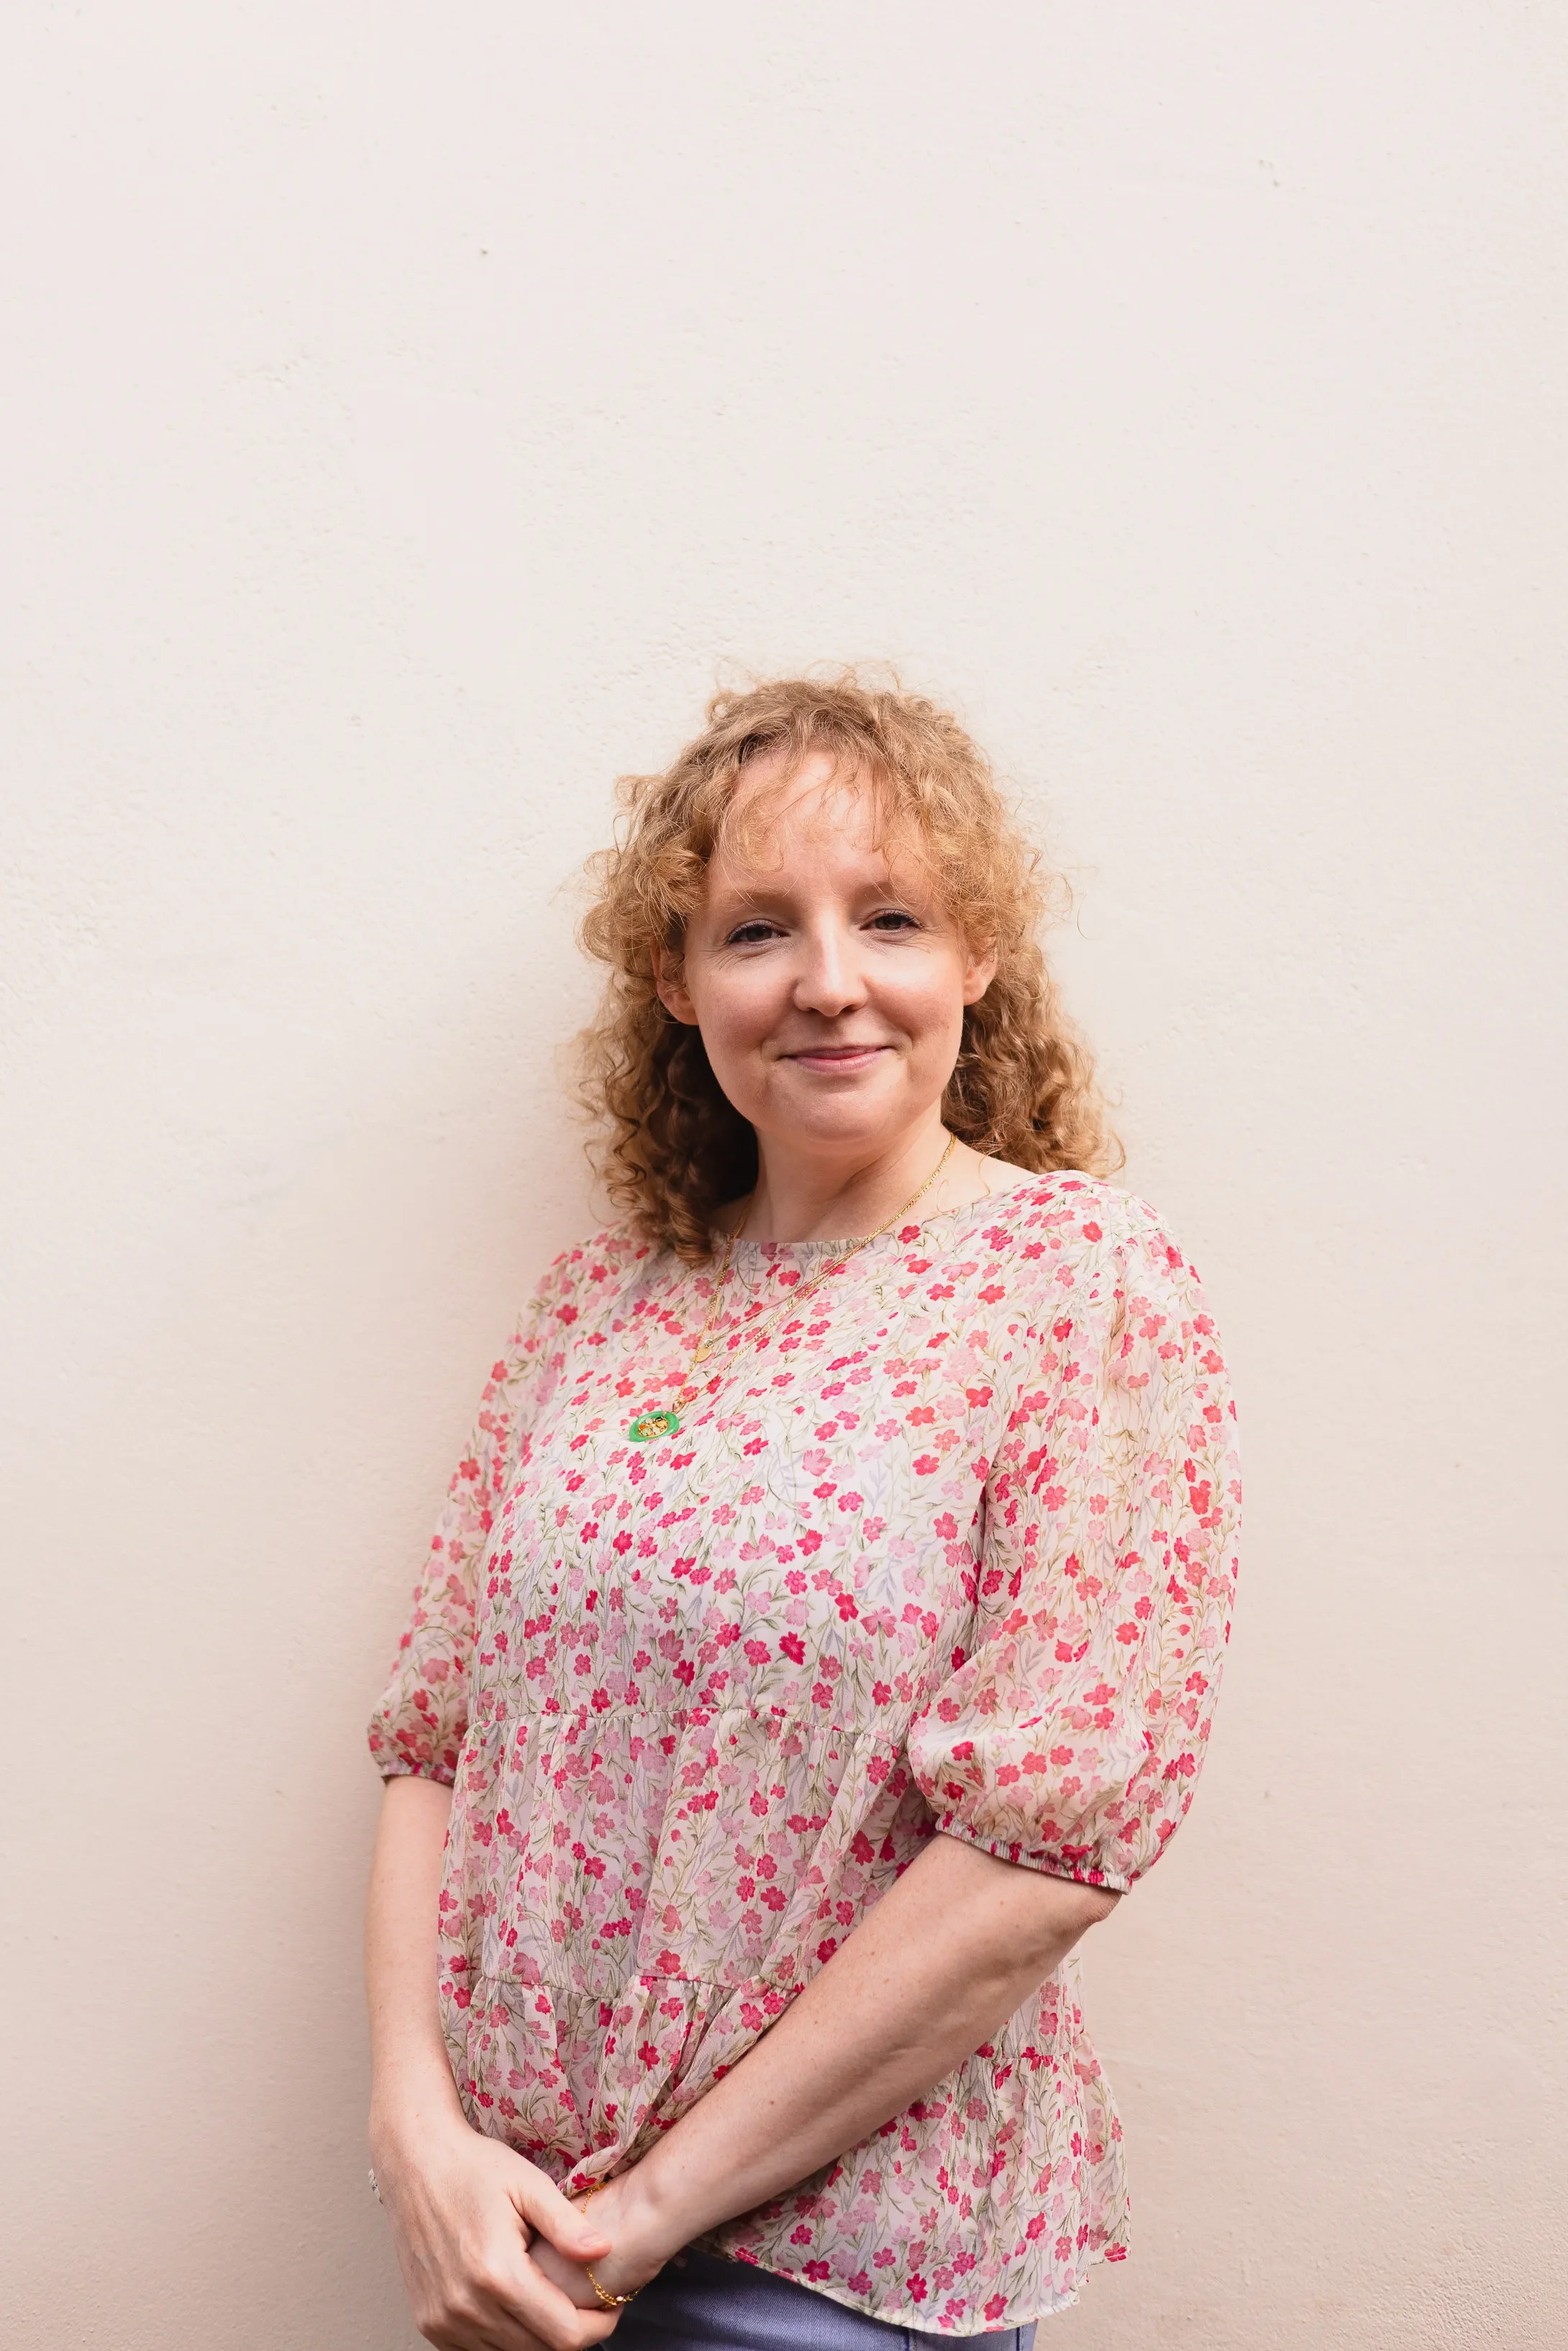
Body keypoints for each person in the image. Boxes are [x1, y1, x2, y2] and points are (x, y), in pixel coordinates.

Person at [363, 675, 1241, 2351]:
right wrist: (417, 2134)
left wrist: (638, 2219)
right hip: (496, 2242)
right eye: (757, 927)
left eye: (890, 916)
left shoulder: (1077, 1288)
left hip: (830, 2276)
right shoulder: (597, 1306)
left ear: (977, 955)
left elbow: (1042, 1852)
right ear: (677, 982)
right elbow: (436, 1735)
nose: (829, 981)